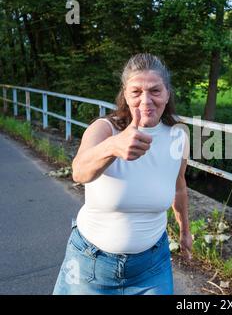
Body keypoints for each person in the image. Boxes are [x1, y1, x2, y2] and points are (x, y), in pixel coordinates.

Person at [53, 53, 192, 295]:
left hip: (152, 266)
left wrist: (185, 233)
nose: (146, 100)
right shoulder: (104, 129)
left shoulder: (178, 136)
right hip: (90, 265)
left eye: (155, 91)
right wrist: (113, 147)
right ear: (125, 95)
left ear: (167, 93)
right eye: (136, 92)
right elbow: (79, 171)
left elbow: (179, 187)